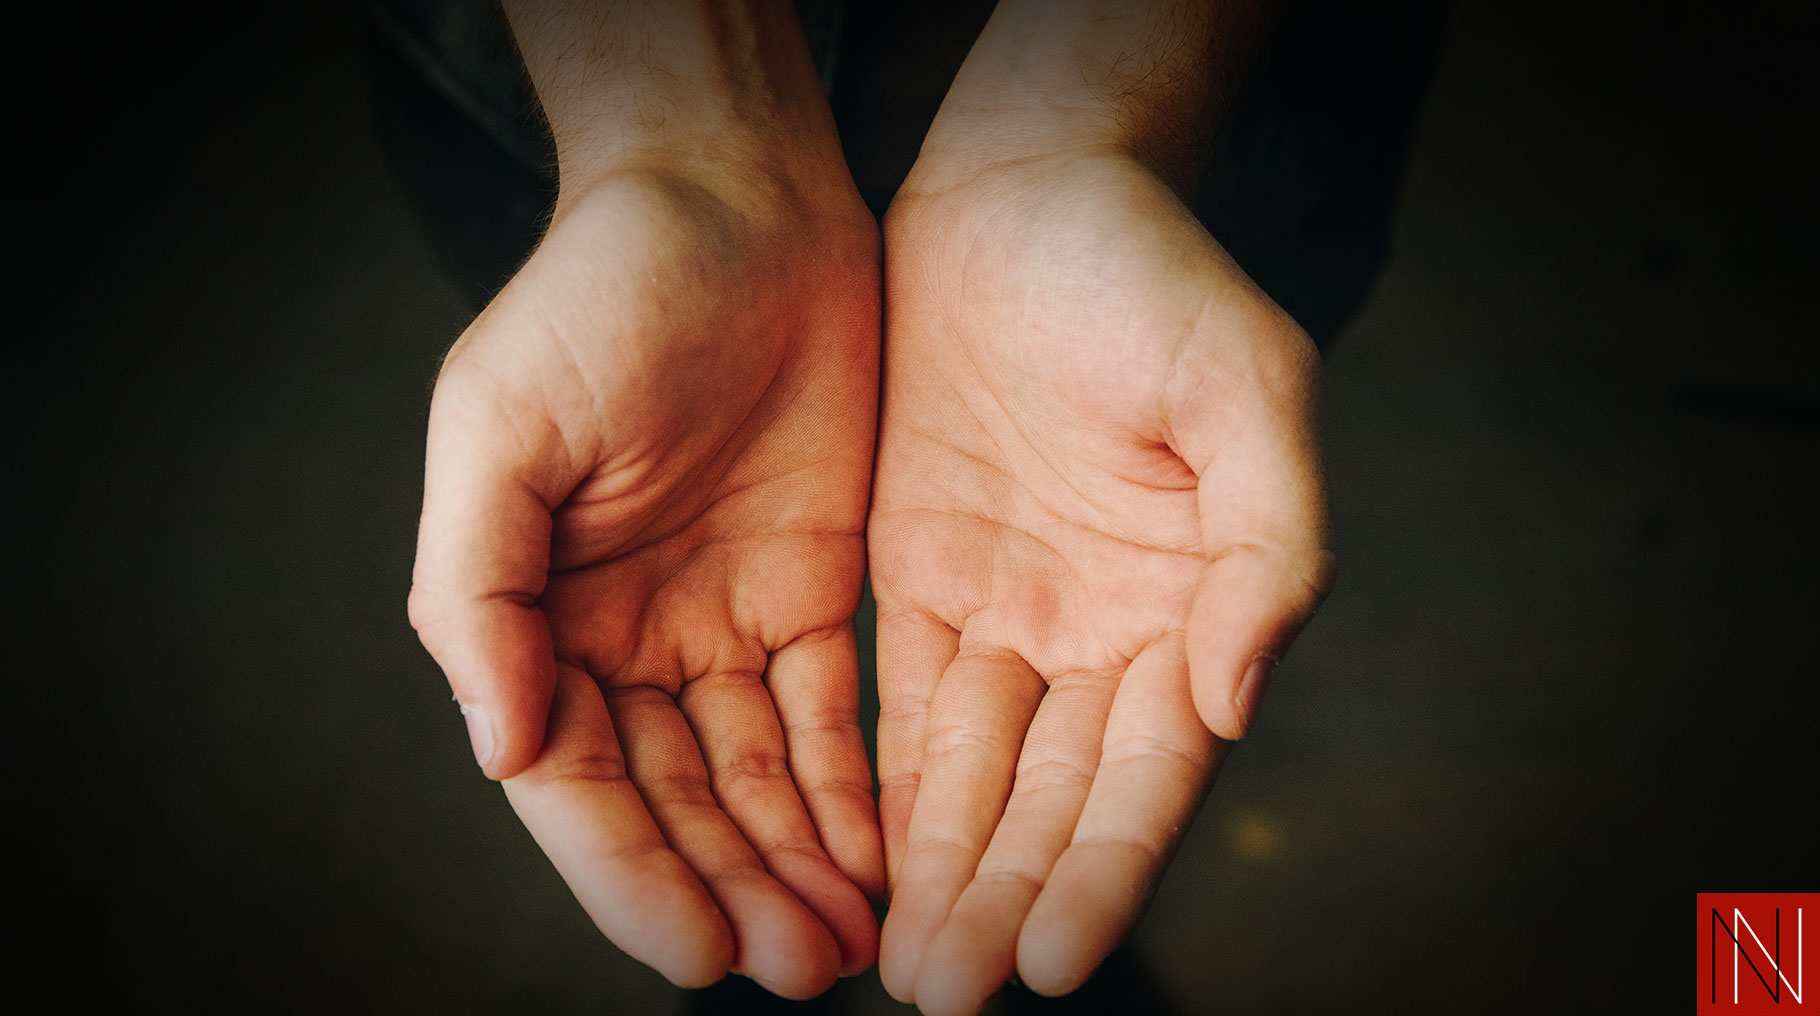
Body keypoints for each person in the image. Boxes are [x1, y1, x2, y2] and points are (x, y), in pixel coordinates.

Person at [403, 1, 1393, 1010]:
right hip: (592, 92)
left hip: (1204, 99)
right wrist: (675, 138)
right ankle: (804, 931)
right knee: (765, 836)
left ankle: (952, 942)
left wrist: (1087, 111)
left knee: (1029, 798)